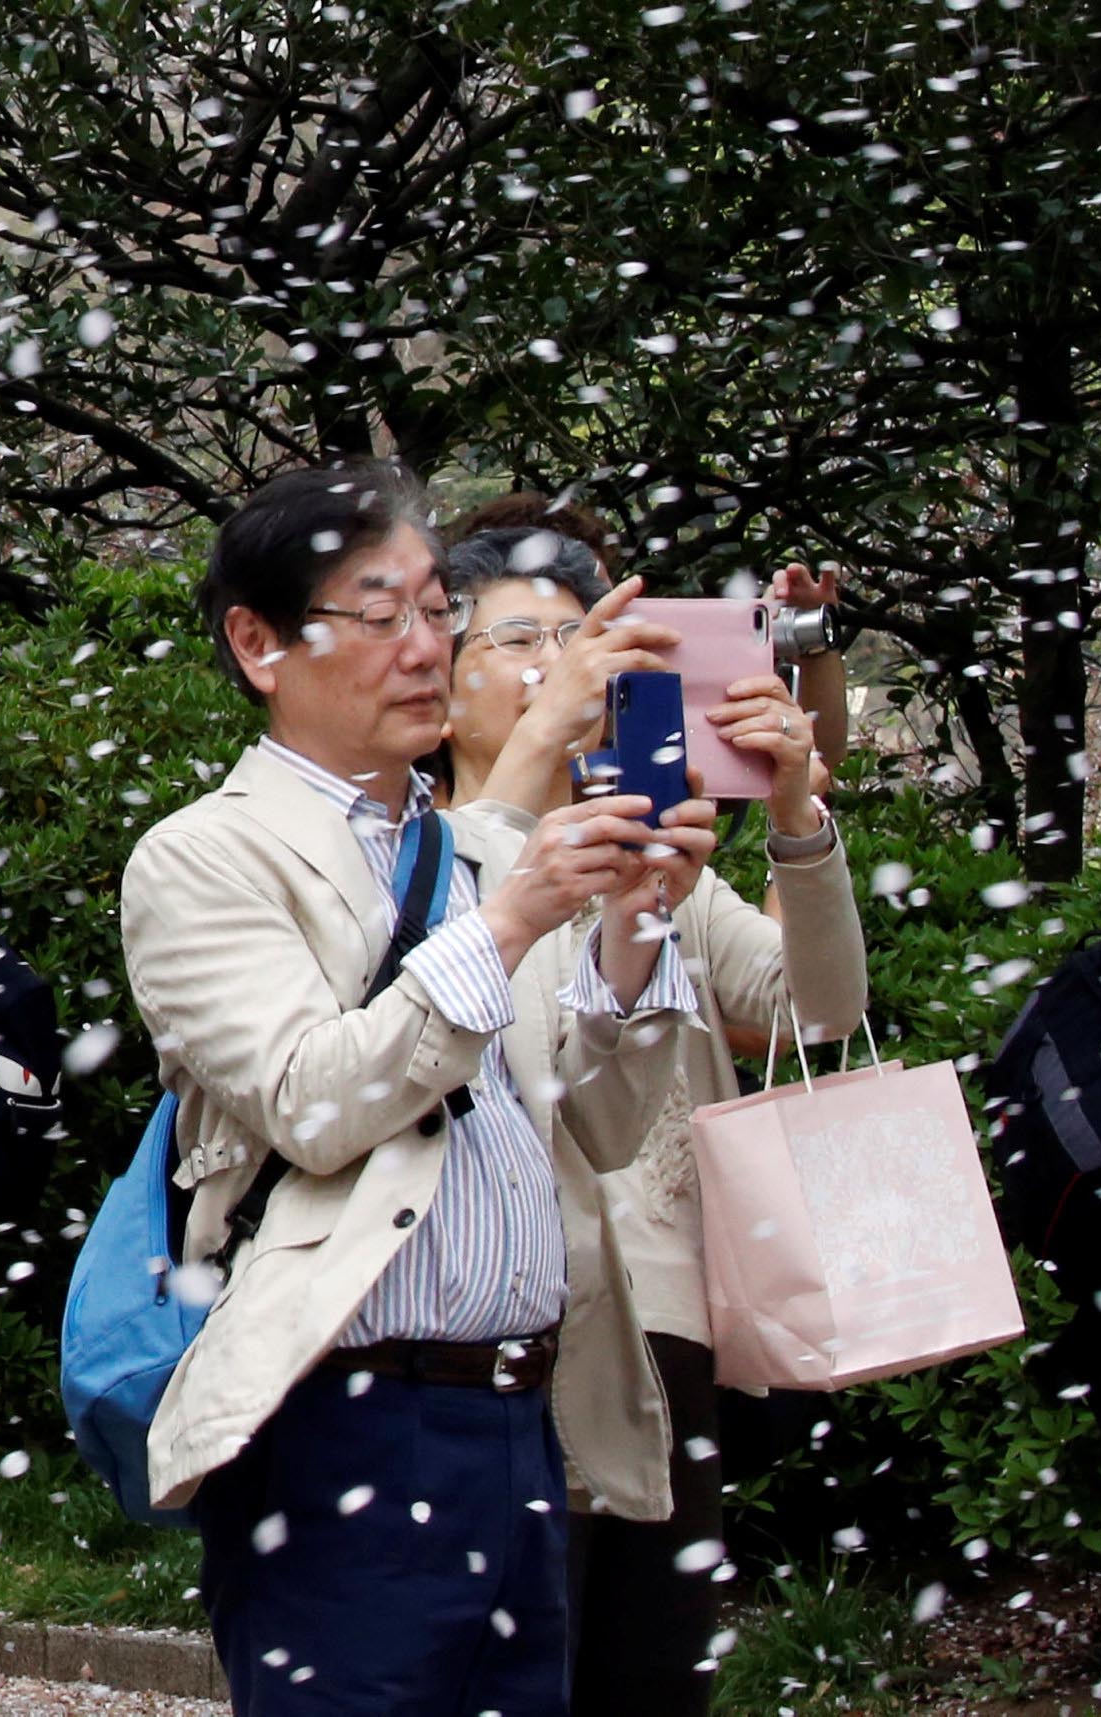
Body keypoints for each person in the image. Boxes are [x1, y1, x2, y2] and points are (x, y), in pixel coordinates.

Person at [120, 461, 706, 1717]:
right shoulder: (204, 854)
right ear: (257, 641)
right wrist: (509, 922)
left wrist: (634, 928)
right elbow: (312, 1100)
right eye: (377, 613)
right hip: (342, 1424)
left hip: (523, 1414)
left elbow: (597, 1127)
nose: (421, 645)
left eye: (436, 610)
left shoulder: (482, 844)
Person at [435, 496, 867, 1717]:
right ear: (438, 674)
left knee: (649, 1676)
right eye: (521, 641)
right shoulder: (414, 858)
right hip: (497, 1325)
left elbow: (813, 1002)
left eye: (578, 636)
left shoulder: (649, 842)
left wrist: (793, 816)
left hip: (665, 1317)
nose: (563, 664)